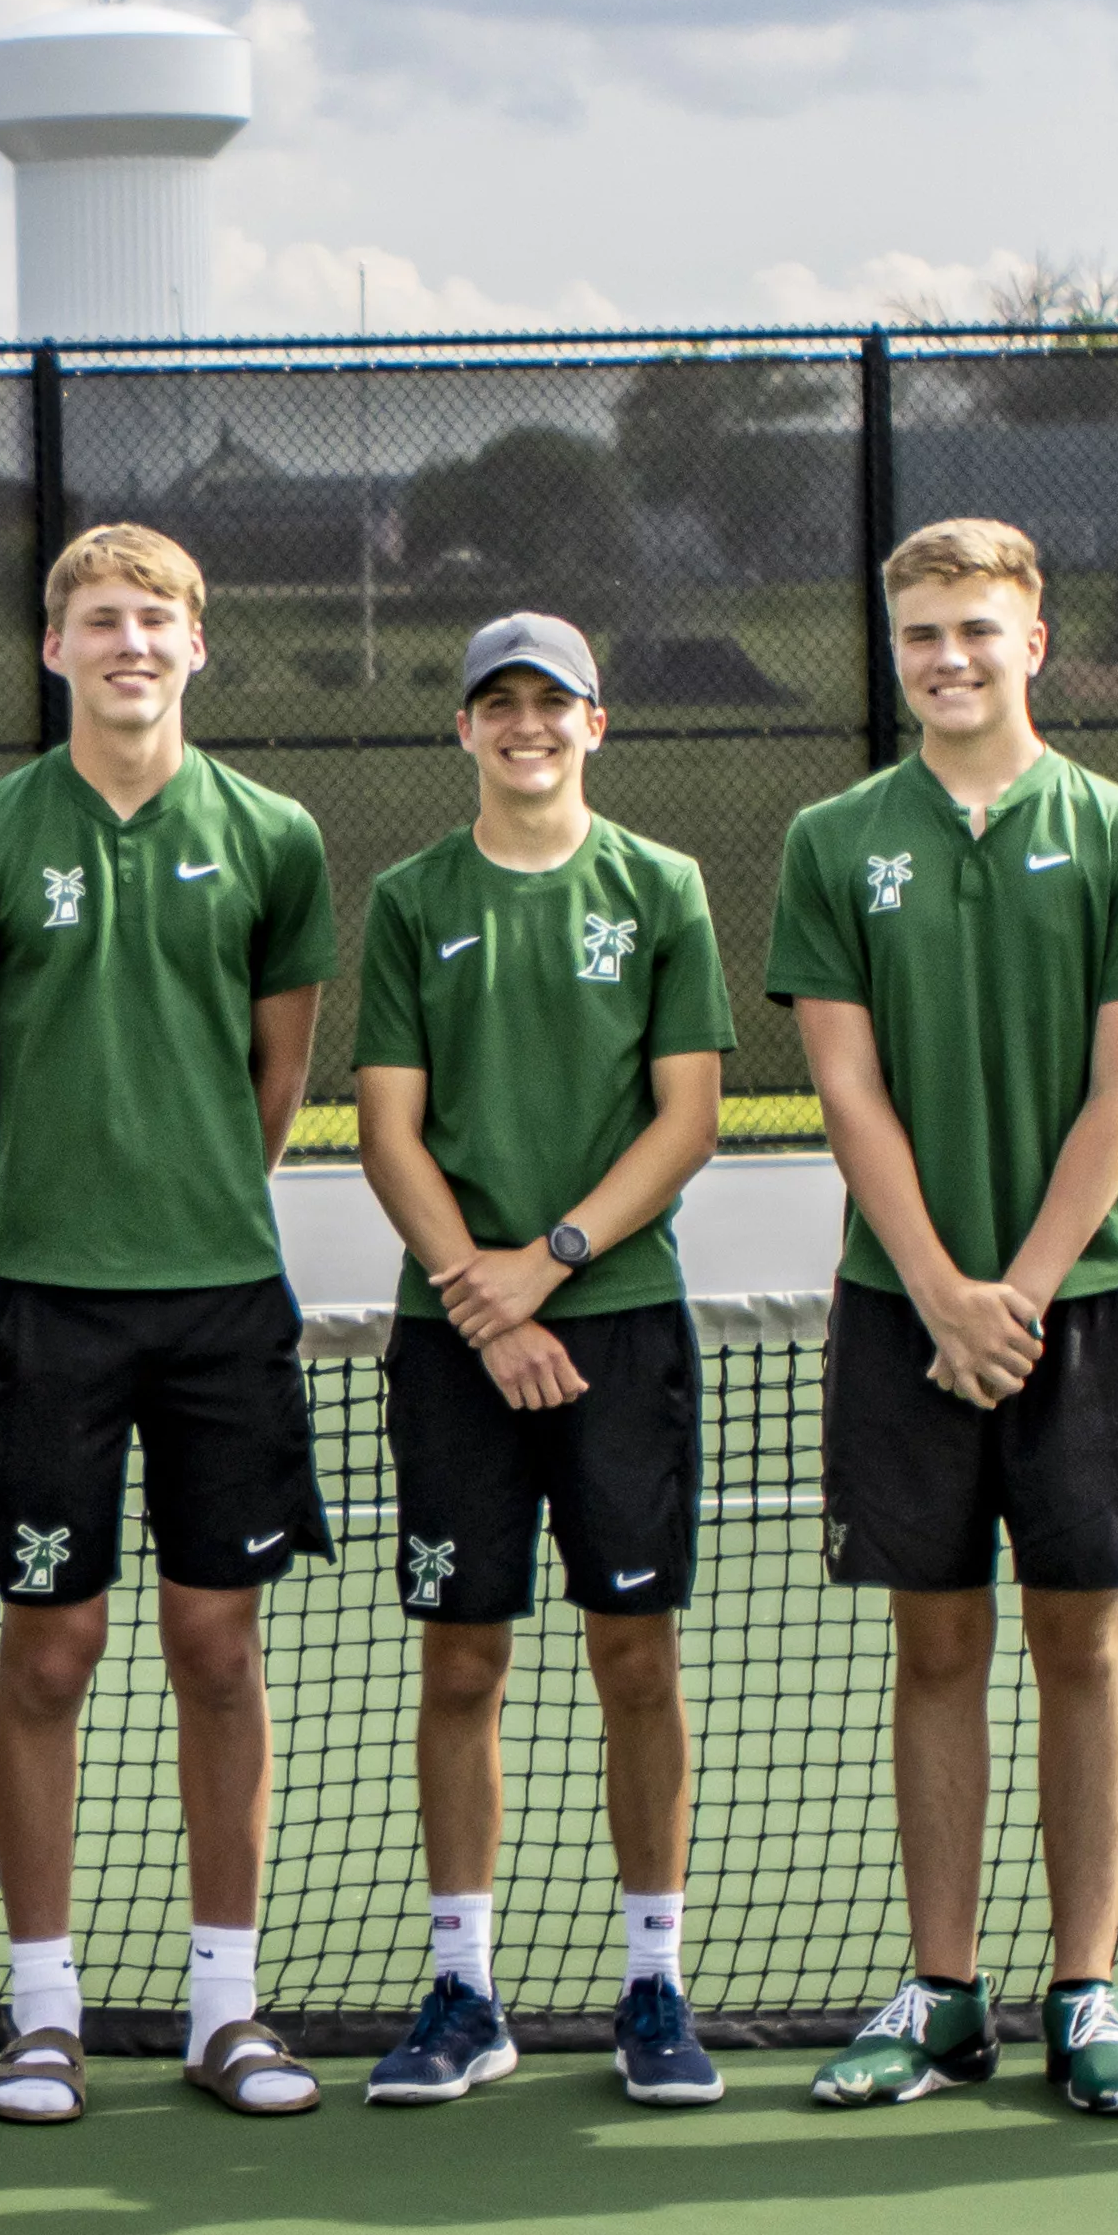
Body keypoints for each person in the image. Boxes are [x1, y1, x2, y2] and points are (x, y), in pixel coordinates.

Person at [767, 518, 1118, 2118]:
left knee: (1081, 1641)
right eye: (919, 638)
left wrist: (1015, 1292)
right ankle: (941, 1994)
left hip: (1078, 1310)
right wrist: (943, 1294)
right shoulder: (833, 838)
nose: (947, 661)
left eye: (975, 631)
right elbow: (843, 1085)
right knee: (933, 1642)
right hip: (902, 1314)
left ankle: (1084, 1990)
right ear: (892, 652)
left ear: (1036, 641)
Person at [0, 522, 337, 2125]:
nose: (128, 644)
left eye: (154, 621)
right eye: (99, 620)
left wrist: (195, 1197)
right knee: (48, 1650)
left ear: (196, 647)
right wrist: (33, 1223)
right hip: (48, 1313)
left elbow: (276, 1079)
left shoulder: (275, 835)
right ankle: (43, 2012)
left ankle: (226, 2006)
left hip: (224, 1305)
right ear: (52, 648)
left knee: (216, 1648)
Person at [344, 615, 731, 2112]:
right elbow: (387, 1128)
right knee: (463, 1655)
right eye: (496, 705)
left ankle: (652, 1979)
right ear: (462, 731)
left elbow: (685, 1119)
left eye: (549, 704)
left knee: (634, 1655)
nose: (524, 727)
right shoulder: (407, 900)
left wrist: (545, 1270)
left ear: (594, 722)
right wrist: (483, 1309)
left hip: (618, 1326)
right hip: (455, 1343)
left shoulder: (662, 890)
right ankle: (462, 1986)